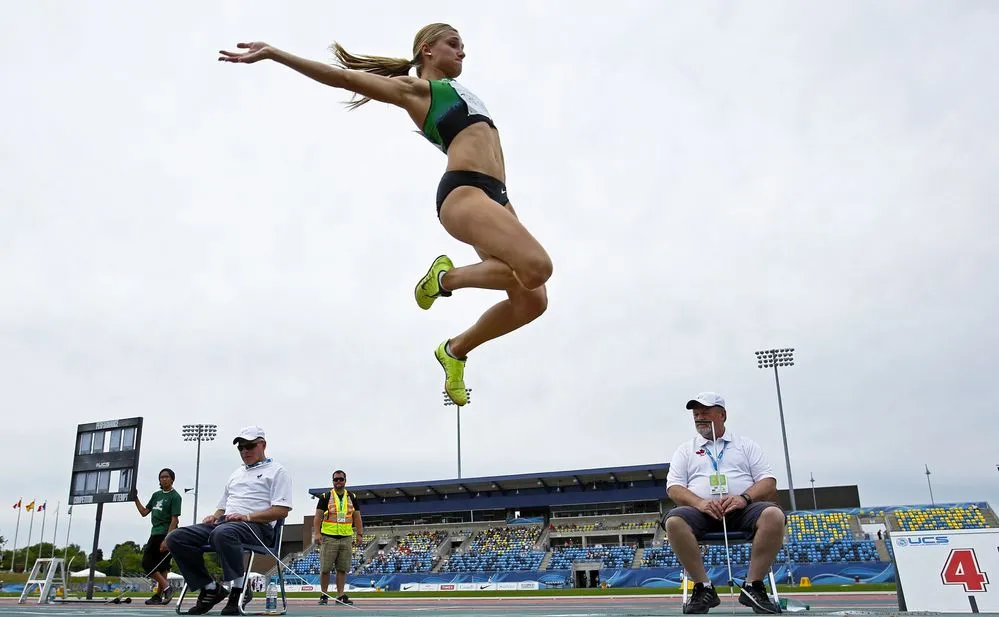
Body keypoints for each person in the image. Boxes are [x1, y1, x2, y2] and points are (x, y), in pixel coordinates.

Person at [218, 24, 554, 406]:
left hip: (499, 197)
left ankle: (455, 350)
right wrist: (275, 53)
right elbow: (344, 77)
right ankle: (443, 280)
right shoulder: (416, 90)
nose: (463, 52)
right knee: (537, 266)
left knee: (533, 299)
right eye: (454, 44)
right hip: (465, 192)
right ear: (427, 50)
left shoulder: (463, 92)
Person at [664, 393, 784, 614]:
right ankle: (703, 588)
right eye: (696, 414)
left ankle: (753, 586)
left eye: (705, 413)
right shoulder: (685, 450)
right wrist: (699, 503)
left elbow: (768, 482)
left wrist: (743, 498)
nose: (699, 418)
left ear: (722, 415)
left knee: (774, 515)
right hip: (701, 513)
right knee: (673, 521)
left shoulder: (746, 445)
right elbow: (674, 487)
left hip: (743, 510)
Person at [165, 426, 293, 615]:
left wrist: (247, 516)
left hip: (257, 527)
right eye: (240, 448)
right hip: (225, 524)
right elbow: (223, 507)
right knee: (176, 537)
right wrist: (214, 517)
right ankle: (210, 588)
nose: (244, 451)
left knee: (223, 532)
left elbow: (281, 510)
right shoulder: (236, 474)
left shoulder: (277, 471)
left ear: (263, 445)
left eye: (249, 446)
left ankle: (238, 590)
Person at [132, 468, 182, 605]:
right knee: (162, 568)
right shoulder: (156, 495)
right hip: (155, 532)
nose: (163, 479)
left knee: (147, 563)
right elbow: (144, 512)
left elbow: (174, 520)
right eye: (161, 477)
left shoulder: (175, 497)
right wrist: (135, 498)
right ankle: (158, 596)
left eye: (166, 477)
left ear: (172, 479)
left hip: (165, 533)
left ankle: (166, 587)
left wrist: (167, 539)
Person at [313, 469, 363, 605]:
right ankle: (324, 595)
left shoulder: (352, 497)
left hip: (346, 537)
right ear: (333, 481)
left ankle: (340, 595)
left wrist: (359, 534)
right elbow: (318, 516)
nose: (338, 481)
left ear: (345, 481)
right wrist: (317, 533)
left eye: (341, 479)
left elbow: (357, 517)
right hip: (329, 537)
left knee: (342, 568)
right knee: (325, 568)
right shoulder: (325, 496)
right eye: (336, 479)